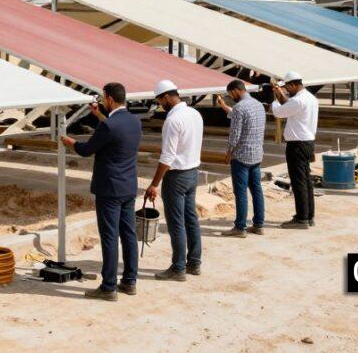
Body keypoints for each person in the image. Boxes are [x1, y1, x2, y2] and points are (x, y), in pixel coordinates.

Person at [61, 83, 142, 300]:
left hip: (109, 189)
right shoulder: (133, 121)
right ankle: (130, 281)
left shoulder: (110, 126)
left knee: (109, 237)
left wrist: (70, 142)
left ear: (108, 98)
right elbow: (114, 131)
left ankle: (108, 287)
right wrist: (99, 116)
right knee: (129, 234)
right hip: (128, 186)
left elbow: (87, 150)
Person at [144, 80, 203, 281]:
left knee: (176, 223)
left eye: (160, 101)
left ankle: (178, 267)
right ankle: (194, 262)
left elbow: (167, 157)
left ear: (166, 97)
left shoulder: (173, 120)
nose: (160, 104)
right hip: (193, 172)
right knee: (191, 219)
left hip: (177, 176)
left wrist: (154, 184)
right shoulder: (195, 114)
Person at [215, 79, 265, 237]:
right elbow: (242, 118)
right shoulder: (259, 105)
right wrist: (224, 107)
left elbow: (235, 134)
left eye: (231, 94)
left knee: (241, 192)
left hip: (241, 156)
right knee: (257, 190)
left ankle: (240, 227)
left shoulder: (239, 108)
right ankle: (258, 224)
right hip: (256, 155)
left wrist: (229, 153)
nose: (231, 97)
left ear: (235, 90)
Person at [269, 71, 318, 229]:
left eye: (288, 88)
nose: (287, 91)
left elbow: (278, 112)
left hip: (297, 144)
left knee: (299, 182)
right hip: (307, 142)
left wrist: (275, 99)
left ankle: (301, 218)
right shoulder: (310, 98)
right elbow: (289, 105)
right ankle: (308, 216)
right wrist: (281, 95)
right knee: (306, 180)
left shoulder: (298, 101)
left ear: (293, 85)